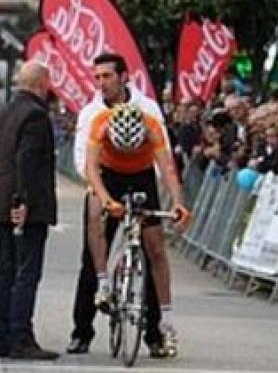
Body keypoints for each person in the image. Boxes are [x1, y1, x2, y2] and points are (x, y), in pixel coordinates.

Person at [68, 53, 180, 358]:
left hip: (141, 176)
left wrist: (175, 201)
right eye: (98, 78)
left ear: (123, 76)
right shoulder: (92, 114)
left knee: (153, 250)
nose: (102, 83)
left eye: (107, 76)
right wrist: (104, 197)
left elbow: (165, 160)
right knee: (92, 249)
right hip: (104, 176)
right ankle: (82, 330)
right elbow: (84, 162)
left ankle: (155, 332)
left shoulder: (148, 109)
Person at [0, 61, 58, 360]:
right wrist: (24, 200)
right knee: (26, 273)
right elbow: (26, 162)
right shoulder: (36, 116)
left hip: (1, 202)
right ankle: (20, 337)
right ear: (42, 84)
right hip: (26, 206)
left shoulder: (3, 113)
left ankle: (0, 336)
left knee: (5, 270)